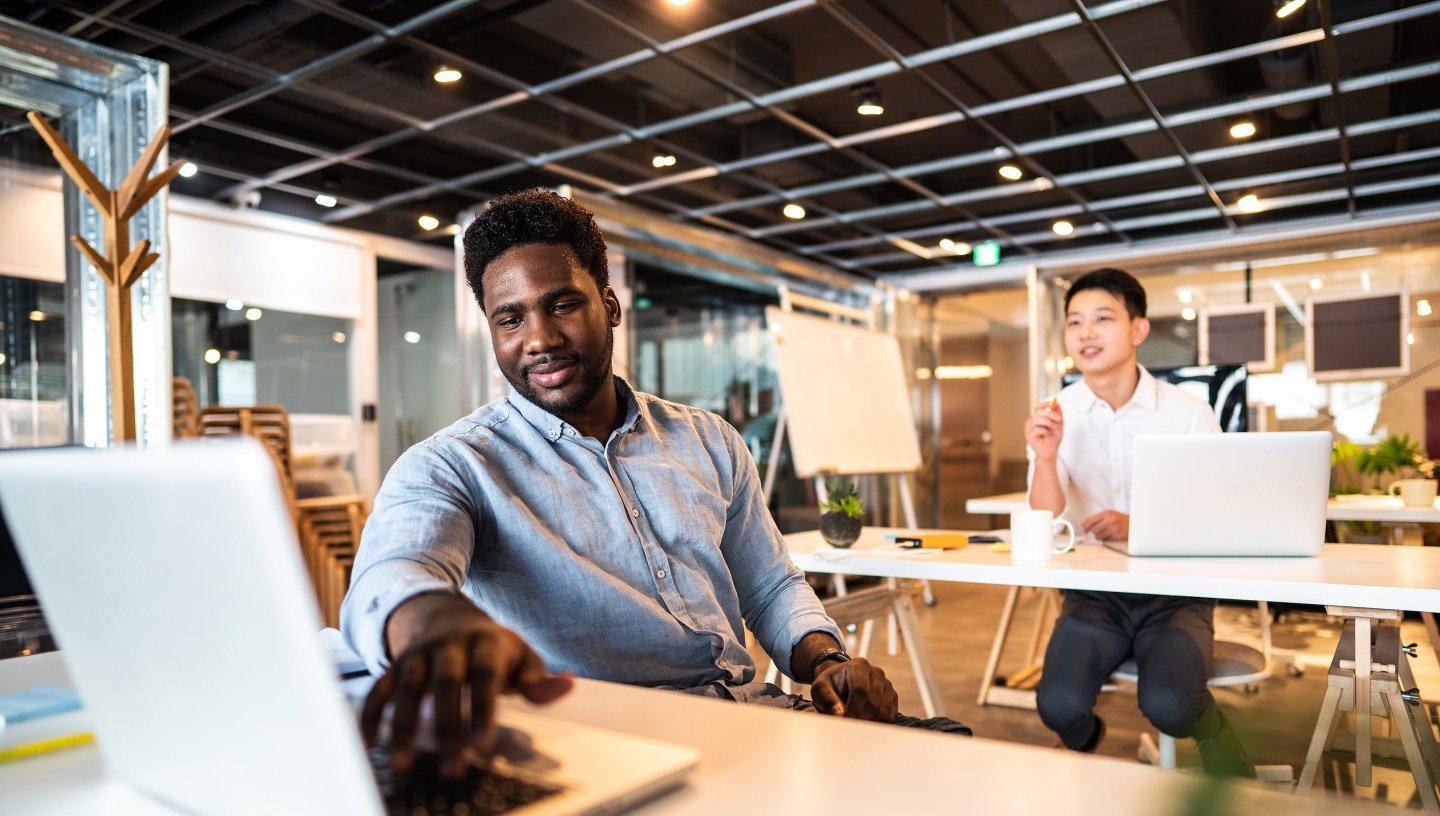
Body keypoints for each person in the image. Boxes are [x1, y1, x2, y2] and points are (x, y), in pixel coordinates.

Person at [343, 187, 966, 777]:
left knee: (950, 764)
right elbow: (395, 571)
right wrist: (430, 626)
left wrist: (828, 661)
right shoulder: (454, 464)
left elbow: (772, 585)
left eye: (562, 304)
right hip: (607, 752)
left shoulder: (709, 439)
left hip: (756, 720)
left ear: (609, 306)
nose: (539, 338)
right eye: (510, 320)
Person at [1022, 267, 1251, 777]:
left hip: (1175, 594)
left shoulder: (1187, 412)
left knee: (1171, 705)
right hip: (1093, 593)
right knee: (1057, 706)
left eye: (1102, 318)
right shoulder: (1057, 414)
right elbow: (1044, 518)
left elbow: (1220, 510)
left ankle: (1215, 735)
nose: (1085, 333)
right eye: (1075, 322)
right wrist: (1044, 455)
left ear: (1138, 329)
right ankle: (1086, 737)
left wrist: (1141, 524)